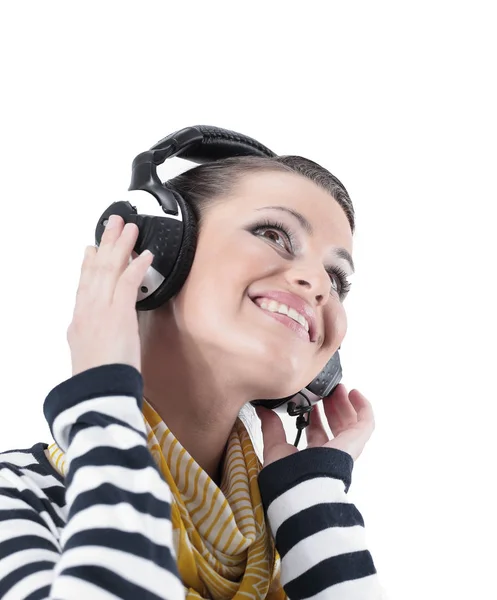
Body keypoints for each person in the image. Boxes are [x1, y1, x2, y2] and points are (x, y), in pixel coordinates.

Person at [0, 146, 383, 598]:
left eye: (337, 279)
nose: (319, 284)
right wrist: (102, 402)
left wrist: (312, 505)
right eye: (275, 234)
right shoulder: (17, 498)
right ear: (159, 251)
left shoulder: (295, 550)